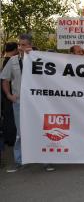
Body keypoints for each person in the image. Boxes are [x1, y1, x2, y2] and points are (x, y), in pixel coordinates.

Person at [1, 34, 55, 172]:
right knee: (20, 133)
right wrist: (9, 95)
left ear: (30, 45)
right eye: (19, 45)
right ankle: (19, 161)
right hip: (19, 102)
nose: (21, 47)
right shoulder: (12, 61)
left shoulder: (40, 59)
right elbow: (5, 80)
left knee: (41, 131)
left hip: (37, 103)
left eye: (24, 45)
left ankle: (45, 161)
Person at [1, 42, 18, 146]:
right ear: (15, 49)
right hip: (10, 93)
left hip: (4, 93)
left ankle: (7, 138)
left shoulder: (3, 59)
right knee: (11, 116)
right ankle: (11, 139)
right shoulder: (10, 61)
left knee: (7, 116)